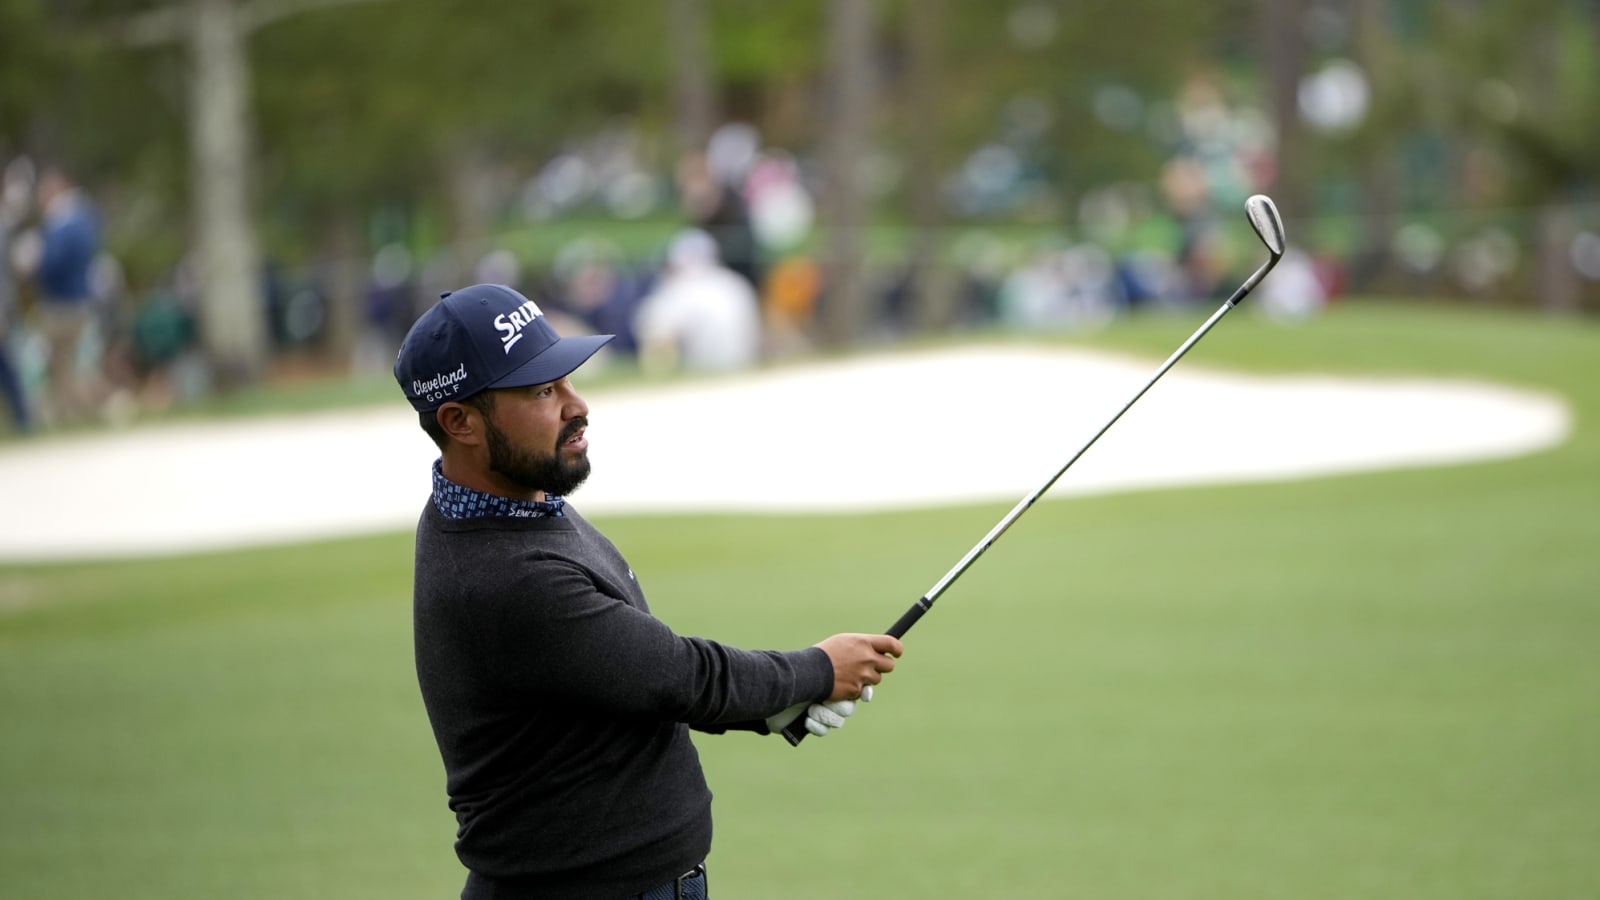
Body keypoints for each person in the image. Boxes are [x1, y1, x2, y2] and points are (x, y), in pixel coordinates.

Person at [393, 283, 903, 900]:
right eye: (541, 391)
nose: (577, 406)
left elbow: (617, 683)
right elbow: (676, 676)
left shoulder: (513, 503)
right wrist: (817, 671)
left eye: (568, 380)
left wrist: (768, 712)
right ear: (459, 422)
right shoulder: (505, 574)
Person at [27, 165, 103, 425]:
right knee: (64, 365)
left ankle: (85, 413)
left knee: (63, 365)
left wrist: (35, 259)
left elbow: (53, 263)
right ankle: (70, 415)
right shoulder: (83, 217)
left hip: (63, 304)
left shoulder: (66, 220)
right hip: (77, 301)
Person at [633, 229, 762, 375]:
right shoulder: (737, 284)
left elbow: (658, 351)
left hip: (704, 382)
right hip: (747, 376)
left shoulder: (678, 289)